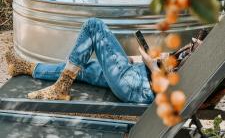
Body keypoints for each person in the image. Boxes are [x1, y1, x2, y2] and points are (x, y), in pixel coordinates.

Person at [5, 18, 204, 103]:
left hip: (136, 86)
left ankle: (61, 88)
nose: (197, 40)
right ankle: (23, 67)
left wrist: (149, 63)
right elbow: (164, 62)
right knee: (82, 68)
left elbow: (168, 91)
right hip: (134, 73)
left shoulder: (200, 69)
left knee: (94, 25)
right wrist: (133, 59)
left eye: (201, 41)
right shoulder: (192, 54)